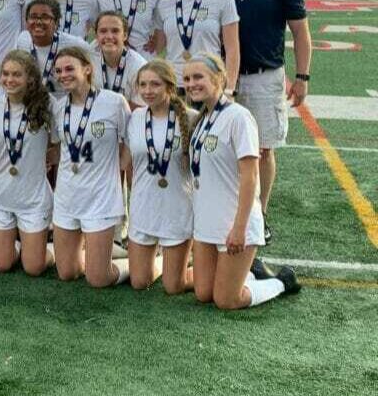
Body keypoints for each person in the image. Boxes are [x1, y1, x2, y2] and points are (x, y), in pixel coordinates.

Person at [202, 0, 312, 241]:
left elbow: (301, 34)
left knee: (263, 149)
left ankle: (259, 213)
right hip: (220, 79)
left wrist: (303, 76)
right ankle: (221, 209)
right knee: (217, 147)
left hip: (265, 76)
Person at [183, 54, 300, 309]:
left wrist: (239, 228)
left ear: (219, 78)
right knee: (203, 294)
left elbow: (250, 176)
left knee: (226, 300)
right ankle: (245, 273)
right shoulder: (201, 119)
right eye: (187, 79)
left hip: (235, 223)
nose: (191, 84)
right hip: (207, 222)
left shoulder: (239, 117)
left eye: (198, 77)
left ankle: (282, 281)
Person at [51, 46, 131, 287]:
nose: (63, 74)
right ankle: (103, 252)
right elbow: (58, 148)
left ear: (87, 69)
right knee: (67, 273)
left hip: (100, 198)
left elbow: (130, 143)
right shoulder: (58, 107)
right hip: (67, 196)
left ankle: (136, 262)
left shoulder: (114, 102)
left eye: (69, 69)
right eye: (58, 70)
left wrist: (118, 171)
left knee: (98, 279)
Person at [123, 60, 196, 293]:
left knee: (174, 287)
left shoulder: (191, 118)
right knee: (139, 282)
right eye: (143, 85)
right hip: (144, 206)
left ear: (170, 87)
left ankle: (217, 272)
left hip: (176, 207)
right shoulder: (135, 118)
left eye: (155, 84)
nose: (147, 90)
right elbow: (130, 164)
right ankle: (167, 263)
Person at [0, 50, 55, 275]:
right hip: (1, 196)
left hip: (33, 199)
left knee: (34, 268)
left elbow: (61, 144)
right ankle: (20, 244)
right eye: (5, 74)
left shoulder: (48, 105)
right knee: (2, 265)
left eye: (17, 75)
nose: (9, 79)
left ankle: (63, 248)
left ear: (31, 79)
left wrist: (42, 160)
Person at [156, 0, 239, 90]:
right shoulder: (164, 4)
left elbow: (232, 49)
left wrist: (230, 88)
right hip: (174, 85)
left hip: (209, 84)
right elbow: (157, 46)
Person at [15, 0, 90, 99]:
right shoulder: (22, 39)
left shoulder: (73, 43)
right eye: (33, 17)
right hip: (33, 104)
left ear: (57, 23)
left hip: (64, 106)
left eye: (45, 17)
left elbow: (95, 54)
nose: (38, 22)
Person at [91, 11, 147, 107]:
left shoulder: (139, 66)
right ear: (96, 36)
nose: (109, 36)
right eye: (103, 31)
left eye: (115, 31)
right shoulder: (88, 61)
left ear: (125, 35)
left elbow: (141, 109)